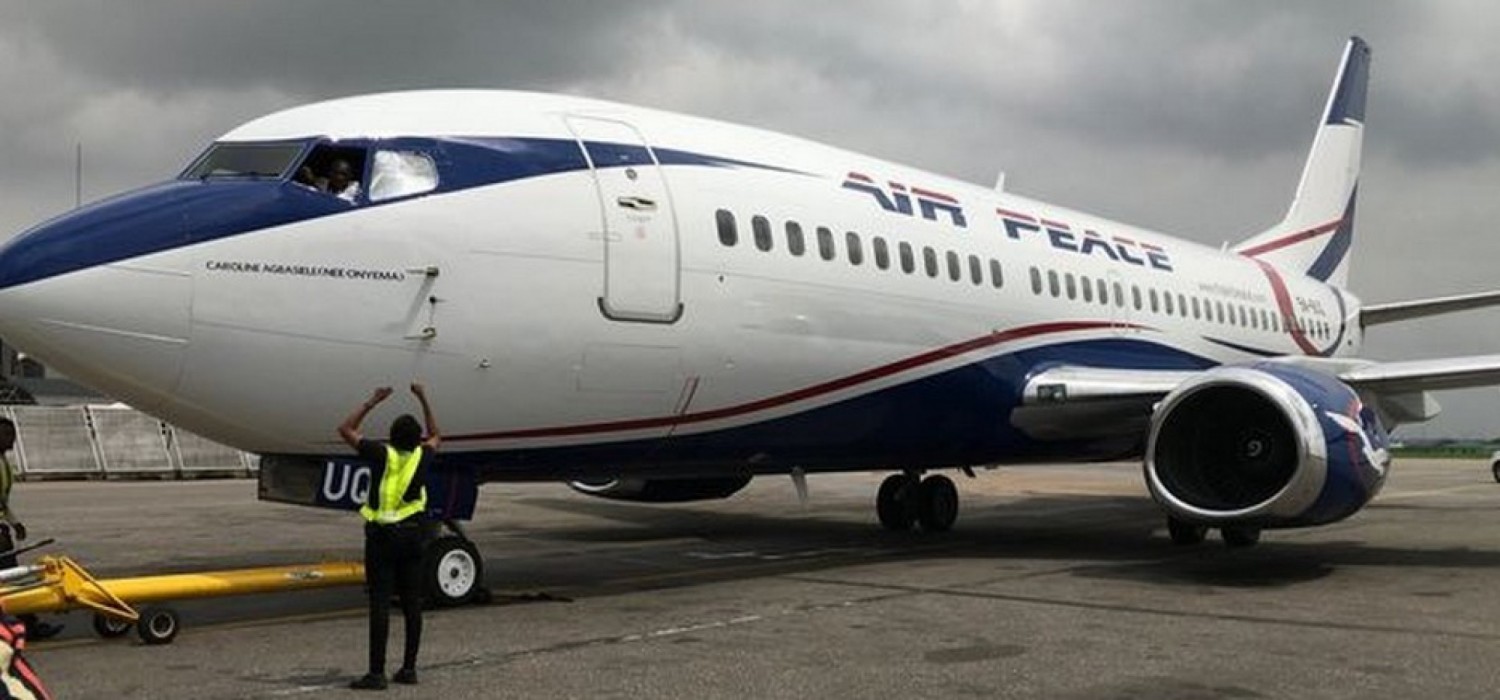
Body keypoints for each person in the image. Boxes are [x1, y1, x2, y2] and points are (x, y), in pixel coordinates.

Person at [339, 383, 440, 690]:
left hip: (382, 539)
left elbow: (345, 429)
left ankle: (376, 673)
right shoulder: (422, 456)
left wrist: (373, 401)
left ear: (392, 437)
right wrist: (423, 396)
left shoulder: (381, 453)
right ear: (416, 439)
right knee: (412, 603)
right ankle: (409, 669)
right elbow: (436, 435)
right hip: (413, 538)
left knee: (380, 603)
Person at [0, 418, 61, 641]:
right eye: (6, 434)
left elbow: (2, 501)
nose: (11, 438)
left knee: (12, 578)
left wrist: (14, 523)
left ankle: (27, 624)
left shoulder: (4, 462)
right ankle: (29, 626)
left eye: (12, 433)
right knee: (14, 579)